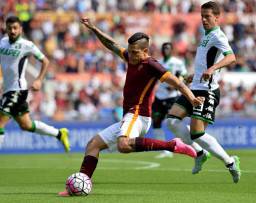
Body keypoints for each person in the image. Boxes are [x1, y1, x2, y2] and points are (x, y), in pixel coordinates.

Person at [58, 17, 204, 196]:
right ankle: (79, 185)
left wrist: (192, 99)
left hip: (139, 115)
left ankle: (171, 145)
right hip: (129, 116)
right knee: (93, 145)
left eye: (135, 52)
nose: (130, 55)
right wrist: (93, 28)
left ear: (145, 51)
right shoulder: (131, 56)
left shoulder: (152, 65)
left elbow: (178, 84)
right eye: (129, 51)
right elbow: (111, 44)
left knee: (123, 145)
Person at [165, 1, 241, 183]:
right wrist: (195, 75)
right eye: (202, 16)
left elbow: (231, 57)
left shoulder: (219, 36)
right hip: (195, 86)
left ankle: (230, 162)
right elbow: (204, 62)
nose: (204, 20)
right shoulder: (206, 36)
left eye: (207, 17)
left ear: (217, 17)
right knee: (173, 121)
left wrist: (212, 69)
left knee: (197, 134)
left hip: (207, 91)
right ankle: (200, 152)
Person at [0, 16, 70, 152]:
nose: (13, 31)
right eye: (10, 28)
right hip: (8, 89)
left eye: (15, 28)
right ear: (6, 29)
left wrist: (38, 80)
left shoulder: (27, 45)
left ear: (20, 29)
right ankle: (59, 134)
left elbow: (45, 61)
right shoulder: (2, 43)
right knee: (26, 125)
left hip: (18, 89)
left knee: (0, 121)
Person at [152, 42, 206, 159]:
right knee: (156, 123)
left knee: (174, 122)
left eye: (168, 48)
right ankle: (165, 150)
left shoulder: (177, 62)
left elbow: (184, 76)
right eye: (164, 48)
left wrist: (176, 84)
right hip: (159, 96)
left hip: (172, 96)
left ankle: (195, 145)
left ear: (172, 50)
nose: (166, 50)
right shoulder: (158, 62)